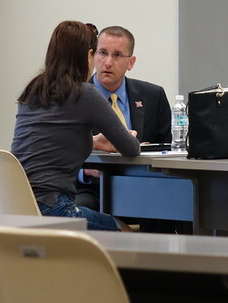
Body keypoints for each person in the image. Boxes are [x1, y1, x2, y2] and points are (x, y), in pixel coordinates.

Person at [11, 20, 140, 231]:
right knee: (126, 231)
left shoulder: (33, 89)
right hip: (54, 207)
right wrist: (130, 135)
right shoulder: (84, 93)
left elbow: (46, 139)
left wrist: (94, 142)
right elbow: (131, 148)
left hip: (17, 204)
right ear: (88, 55)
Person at [76, 26, 188, 234]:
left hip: (142, 186)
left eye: (117, 55)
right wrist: (83, 172)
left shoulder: (153, 96)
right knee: (81, 211)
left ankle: (154, 265)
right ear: (92, 56)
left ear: (131, 62)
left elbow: (170, 151)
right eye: (102, 53)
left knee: (171, 205)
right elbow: (58, 152)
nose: (108, 62)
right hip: (92, 189)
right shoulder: (75, 96)